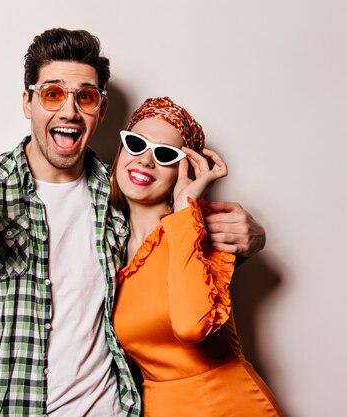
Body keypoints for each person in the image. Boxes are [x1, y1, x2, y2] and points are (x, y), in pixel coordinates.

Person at [0, 29, 267, 417]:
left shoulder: (122, 192)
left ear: (100, 111)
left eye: (84, 97)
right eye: (52, 94)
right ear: (28, 103)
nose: (68, 111)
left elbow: (179, 258)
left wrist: (252, 239)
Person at [111, 97, 283, 416]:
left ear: (185, 169)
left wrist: (185, 204)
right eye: (135, 144)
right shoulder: (108, 243)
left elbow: (192, 325)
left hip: (230, 405)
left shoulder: (201, 229)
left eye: (165, 155)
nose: (146, 161)